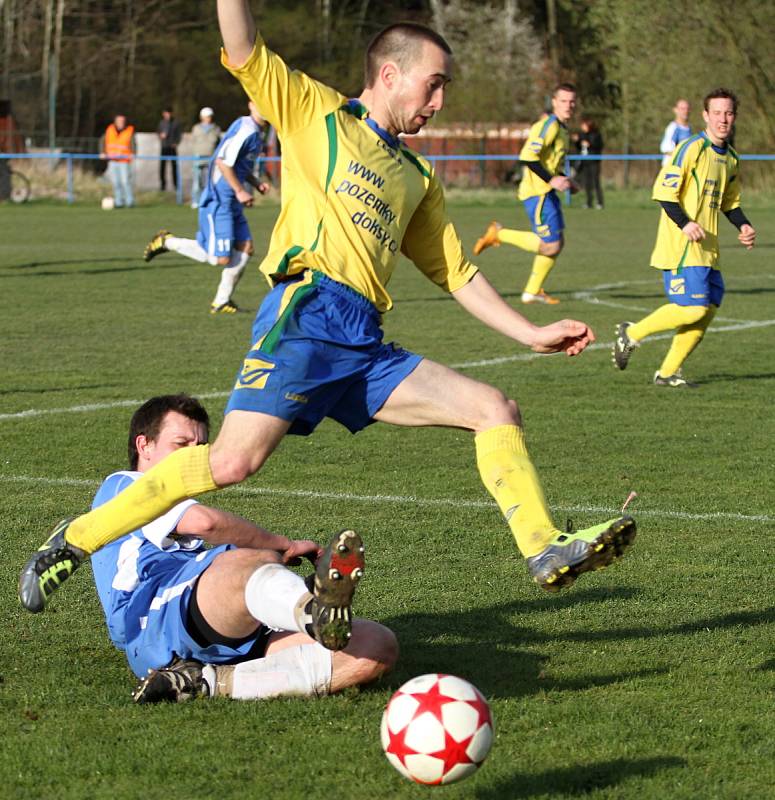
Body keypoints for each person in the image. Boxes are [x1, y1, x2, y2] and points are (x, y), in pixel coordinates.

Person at [19, 1, 636, 618]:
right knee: (233, 461)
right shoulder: (318, 111)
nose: (440, 101)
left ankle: (543, 547)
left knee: (495, 408)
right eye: (435, 84)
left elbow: (455, 269)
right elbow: (243, 50)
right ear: (390, 75)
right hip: (308, 315)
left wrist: (529, 332)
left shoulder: (418, 175)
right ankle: (77, 538)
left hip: (364, 339)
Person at [88, 393, 395, 703]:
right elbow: (205, 523)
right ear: (145, 446)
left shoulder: (172, 520)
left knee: (374, 646)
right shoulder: (124, 485)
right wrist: (283, 547)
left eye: (200, 448)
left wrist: (276, 564)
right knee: (250, 560)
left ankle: (204, 682)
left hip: (210, 630)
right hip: (155, 624)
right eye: (180, 445)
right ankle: (313, 611)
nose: (193, 457)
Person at [612, 89, 756, 387]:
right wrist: (685, 223)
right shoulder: (691, 148)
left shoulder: (731, 158)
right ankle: (632, 334)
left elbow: (730, 202)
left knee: (706, 312)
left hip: (708, 248)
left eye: (728, 113)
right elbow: (664, 192)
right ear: (705, 116)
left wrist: (743, 226)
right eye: (716, 113)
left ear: (735, 117)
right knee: (693, 308)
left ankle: (667, 373)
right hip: (681, 244)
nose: (723, 119)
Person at [142, 102, 269, 314]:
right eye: (260, 102)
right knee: (220, 259)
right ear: (250, 104)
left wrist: (255, 183)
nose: (266, 107)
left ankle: (221, 301)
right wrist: (240, 190)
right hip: (219, 199)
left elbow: (238, 165)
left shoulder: (258, 132)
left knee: (245, 248)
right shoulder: (246, 130)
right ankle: (167, 242)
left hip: (232, 199)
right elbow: (223, 163)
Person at [472, 84, 579, 305]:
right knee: (551, 244)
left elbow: (547, 161)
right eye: (564, 101)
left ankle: (532, 292)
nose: (568, 105)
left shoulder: (563, 129)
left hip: (547, 191)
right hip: (537, 192)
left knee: (556, 242)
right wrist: (551, 179)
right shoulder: (547, 126)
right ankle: (498, 234)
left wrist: (564, 179)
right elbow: (528, 157)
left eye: (572, 101)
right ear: (554, 102)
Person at [100, 114, 135, 208]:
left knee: (125, 181)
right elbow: (102, 141)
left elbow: (133, 144)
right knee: (116, 182)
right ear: (115, 121)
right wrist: (102, 152)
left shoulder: (129, 131)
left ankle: (130, 202)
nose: (121, 123)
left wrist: (133, 153)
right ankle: (119, 202)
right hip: (112, 160)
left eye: (123, 121)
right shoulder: (110, 130)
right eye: (119, 121)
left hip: (124, 160)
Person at [189, 106, 222, 208]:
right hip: (198, 157)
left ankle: (210, 200)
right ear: (202, 117)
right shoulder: (196, 128)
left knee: (210, 181)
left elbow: (219, 143)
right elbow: (193, 142)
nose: (209, 118)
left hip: (211, 157)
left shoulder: (216, 129)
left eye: (210, 116)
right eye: (207, 116)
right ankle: (196, 201)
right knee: (197, 181)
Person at [575, 118, 604, 210]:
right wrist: (577, 141)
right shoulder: (582, 135)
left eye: (584, 125)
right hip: (585, 162)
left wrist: (590, 144)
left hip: (594, 162)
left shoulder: (596, 135)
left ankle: (600, 202)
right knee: (587, 183)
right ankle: (588, 202)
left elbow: (599, 146)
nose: (582, 127)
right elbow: (578, 147)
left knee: (596, 182)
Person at [660, 99, 692, 166]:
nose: (685, 111)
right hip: (672, 168)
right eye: (682, 109)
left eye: (687, 108)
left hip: (684, 167)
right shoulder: (673, 127)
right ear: (675, 110)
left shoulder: (689, 128)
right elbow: (665, 149)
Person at [157, 108, 182, 191]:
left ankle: (176, 185)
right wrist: (161, 136)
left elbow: (179, 135)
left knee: (174, 167)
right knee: (162, 167)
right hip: (164, 147)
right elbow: (158, 133)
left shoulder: (176, 123)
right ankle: (163, 185)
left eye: (169, 113)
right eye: (166, 113)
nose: (167, 115)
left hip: (172, 148)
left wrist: (176, 143)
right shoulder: (161, 123)